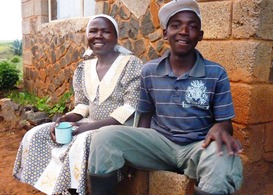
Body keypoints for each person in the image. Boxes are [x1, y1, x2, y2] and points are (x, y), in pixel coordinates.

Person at [87, 0, 243, 194]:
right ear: (164, 33)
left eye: (192, 27)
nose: (184, 31)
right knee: (104, 137)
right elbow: (145, 116)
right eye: (176, 25)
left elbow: (225, 123)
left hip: (198, 147)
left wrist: (221, 127)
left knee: (224, 156)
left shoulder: (216, 73)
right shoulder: (150, 71)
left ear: (200, 36)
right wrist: (138, 145)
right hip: (159, 145)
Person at [13, 14, 143, 195]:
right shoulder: (84, 68)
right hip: (89, 123)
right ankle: (55, 187)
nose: (99, 35)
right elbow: (82, 105)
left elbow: (129, 108)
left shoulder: (131, 64)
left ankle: (75, 190)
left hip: (117, 128)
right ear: (87, 36)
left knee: (81, 141)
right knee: (36, 134)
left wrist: (82, 129)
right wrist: (65, 118)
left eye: (106, 31)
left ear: (115, 37)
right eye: (93, 31)